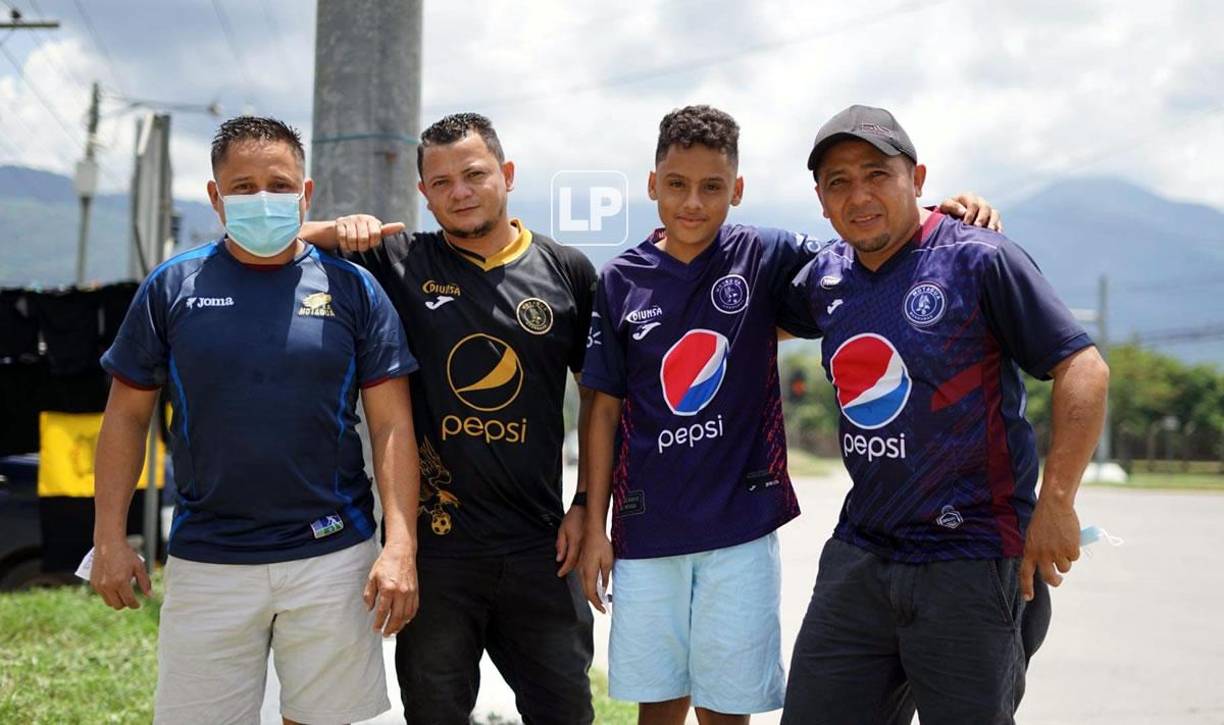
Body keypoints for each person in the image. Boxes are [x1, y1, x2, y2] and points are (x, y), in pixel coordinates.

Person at [578, 105, 1004, 725]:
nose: (692, 201)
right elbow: (604, 409)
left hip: (742, 530)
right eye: (676, 185)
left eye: (712, 187)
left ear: (738, 190)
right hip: (646, 533)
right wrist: (596, 523)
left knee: (728, 708)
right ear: (651, 185)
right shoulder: (620, 280)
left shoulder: (766, 252)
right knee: (659, 706)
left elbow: (867, 244)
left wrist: (940, 211)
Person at [778, 105, 1110, 724]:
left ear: (917, 177)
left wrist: (1058, 502)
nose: (859, 195)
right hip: (864, 553)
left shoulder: (979, 259)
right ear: (821, 200)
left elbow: (1083, 367)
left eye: (877, 174)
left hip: (973, 557)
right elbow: (739, 320)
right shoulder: (824, 277)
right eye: (838, 182)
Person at [90, 116, 422, 725]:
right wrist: (108, 538)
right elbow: (125, 418)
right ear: (215, 197)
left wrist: (399, 544)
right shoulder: (172, 287)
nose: (261, 199)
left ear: (307, 193)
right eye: (241, 187)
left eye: (278, 183)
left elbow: (391, 427)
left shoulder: (354, 290)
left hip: (333, 554)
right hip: (207, 559)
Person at [301, 112, 597, 724]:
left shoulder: (568, 271)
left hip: (542, 548)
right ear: (423, 194)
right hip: (436, 558)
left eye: (474, 174)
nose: (459, 192)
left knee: (567, 713)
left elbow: (600, 399)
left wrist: (588, 507)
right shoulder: (400, 260)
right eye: (441, 183)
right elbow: (273, 241)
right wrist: (338, 228)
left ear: (507, 174)